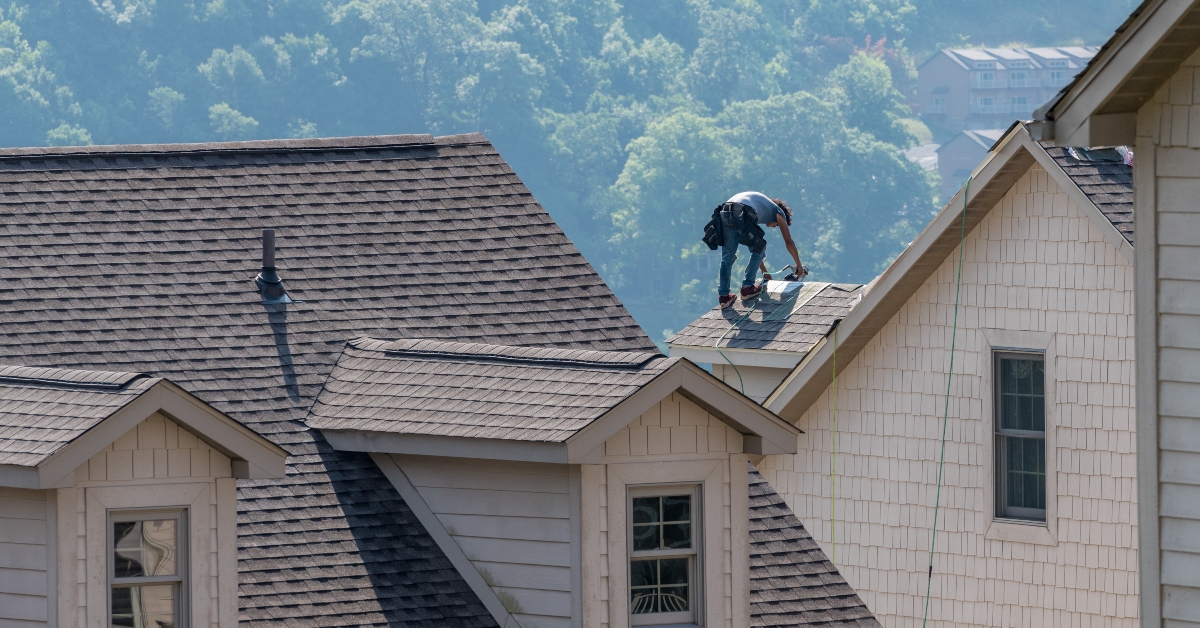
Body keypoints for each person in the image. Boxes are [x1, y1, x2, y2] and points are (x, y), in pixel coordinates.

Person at [716, 191, 806, 308]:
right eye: (777, 225)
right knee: (760, 246)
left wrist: (764, 272)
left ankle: (724, 297)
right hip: (742, 209)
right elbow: (789, 242)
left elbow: (753, 246)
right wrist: (799, 266)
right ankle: (747, 287)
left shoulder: (760, 207)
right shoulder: (778, 211)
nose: (774, 227)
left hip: (725, 210)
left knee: (727, 257)